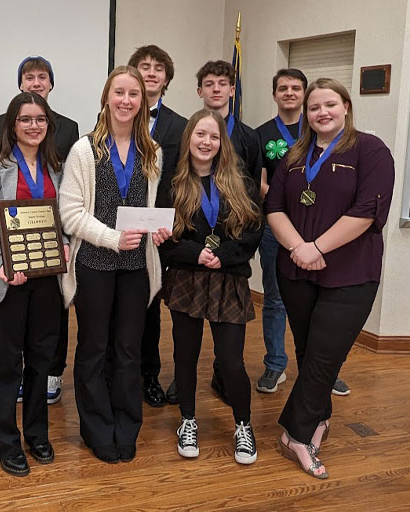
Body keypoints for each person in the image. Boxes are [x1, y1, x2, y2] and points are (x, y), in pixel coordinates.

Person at [266, 78, 394, 479]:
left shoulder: (370, 150)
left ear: (346, 107)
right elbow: (274, 207)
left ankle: (296, 433)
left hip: (350, 273)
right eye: (314, 107)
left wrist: (317, 248)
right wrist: (298, 250)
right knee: (308, 352)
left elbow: (367, 211)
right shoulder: (293, 155)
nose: (321, 112)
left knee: (326, 355)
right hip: (296, 272)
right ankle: (320, 418)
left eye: (329, 105)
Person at [58, 66, 163, 464]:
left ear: (143, 101)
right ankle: (97, 428)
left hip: (137, 267)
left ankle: (126, 424)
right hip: (95, 265)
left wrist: (158, 232)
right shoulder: (85, 150)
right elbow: (71, 214)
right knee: (93, 349)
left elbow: (150, 211)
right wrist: (112, 238)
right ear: (106, 98)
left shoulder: (153, 152)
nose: (126, 100)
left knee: (129, 351)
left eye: (133, 94)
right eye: (119, 92)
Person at [0, 92, 65, 476]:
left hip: (47, 281)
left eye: (40, 119)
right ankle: (6, 441)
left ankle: (37, 434)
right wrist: (3, 260)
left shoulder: (56, 166)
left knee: (41, 361)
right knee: (7, 363)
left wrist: (67, 245)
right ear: (12, 125)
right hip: (7, 280)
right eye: (25, 119)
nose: (33, 126)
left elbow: (65, 220)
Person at [159, 109, 262, 464]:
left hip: (228, 279)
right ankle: (187, 420)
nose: (206, 142)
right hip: (187, 278)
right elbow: (164, 238)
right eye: (200, 135)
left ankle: (243, 425)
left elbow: (253, 232)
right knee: (185, 356)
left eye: (214, 137)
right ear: (189, 138)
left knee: (231, 361)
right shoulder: (171, 183)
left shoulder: (241, 181)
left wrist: (225, 257)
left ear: (223, 143)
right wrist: (195, 254)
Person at [0, 56, 79, 405]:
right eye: (30, 77)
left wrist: (67, 239)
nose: (36, 82)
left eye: (43, 77)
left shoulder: (68, 128)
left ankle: (51, 374)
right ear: (20, 84)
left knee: (53, 315)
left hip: (52, 244)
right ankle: (18, 379)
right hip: (12, 247)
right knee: (13, 328)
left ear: (51, 84)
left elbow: (71, 186)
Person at [256, 69, 351, 396]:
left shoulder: (322, 131)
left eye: (296, 88)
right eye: (283, 88)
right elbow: (257, 178)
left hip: (322, 230)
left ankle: (323, 370)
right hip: (277, 228)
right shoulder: (262, 134)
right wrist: (277, 195)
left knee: (325, 302)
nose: (289, 93)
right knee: (276, 298)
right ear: (275, 94)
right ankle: (275, 364)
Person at [186, 59, 263, 404]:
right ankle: (188, 390)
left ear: (232, 90)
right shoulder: (189, 131)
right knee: (187, 343)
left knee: (229, 348)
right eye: (209, 83)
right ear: (200, 90)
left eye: (223, 83)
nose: (216, 89)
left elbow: (254, 196)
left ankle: (224, 379)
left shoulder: (249, 137)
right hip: (193, 252)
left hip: (229, 254)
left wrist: (230, 252)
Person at [127, 44, 188, 408]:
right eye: (143, 66)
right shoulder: (115, 115)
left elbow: (182, 180)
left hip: (162, 230)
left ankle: (149, 375)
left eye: (157, 68)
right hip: (120, 228)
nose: (151, 72)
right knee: (123, 303)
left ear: (166, 78)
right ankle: (119, 370)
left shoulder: (180, 126)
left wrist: (171, 222)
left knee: (151, 303)